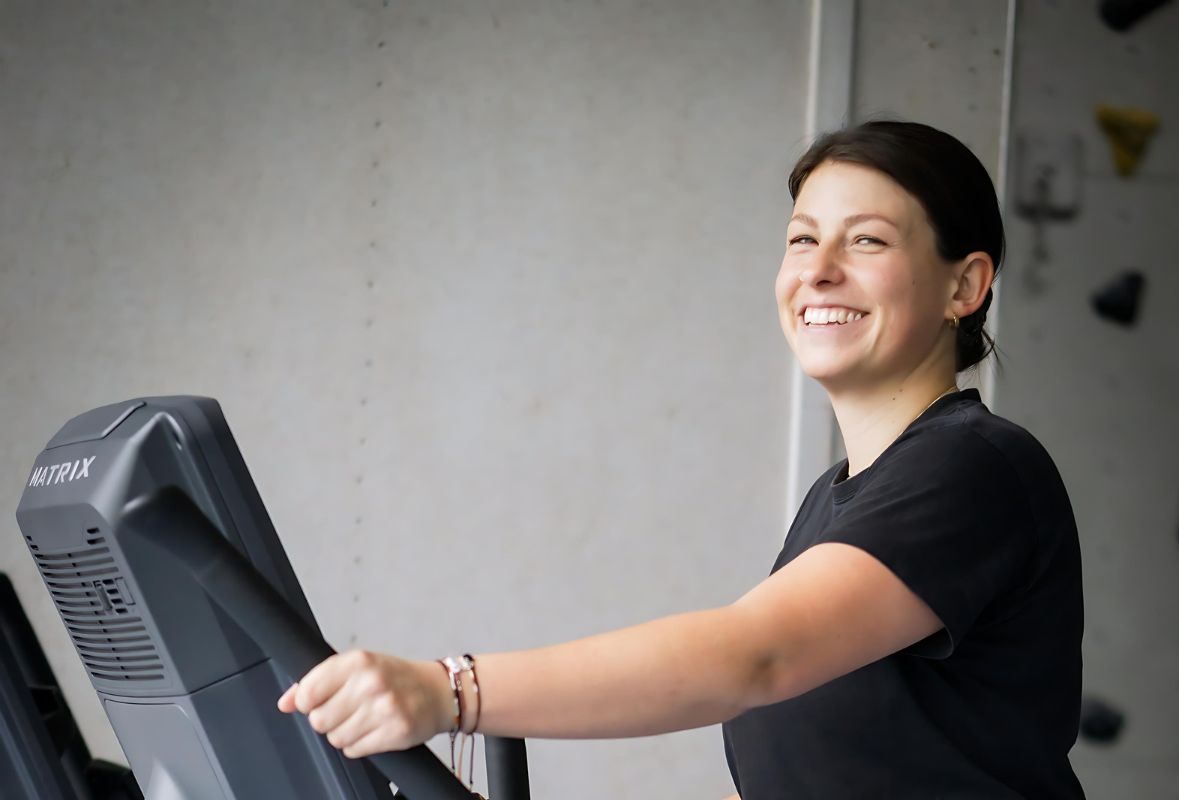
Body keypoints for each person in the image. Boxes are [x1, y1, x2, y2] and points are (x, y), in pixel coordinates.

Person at [277, 120, 1085, 799]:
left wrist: (449, 690)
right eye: (802, 239)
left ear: (965, 285)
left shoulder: (973, 470)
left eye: (866, 240)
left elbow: (753, 657)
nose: (817, 270)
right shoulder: (840, 500)